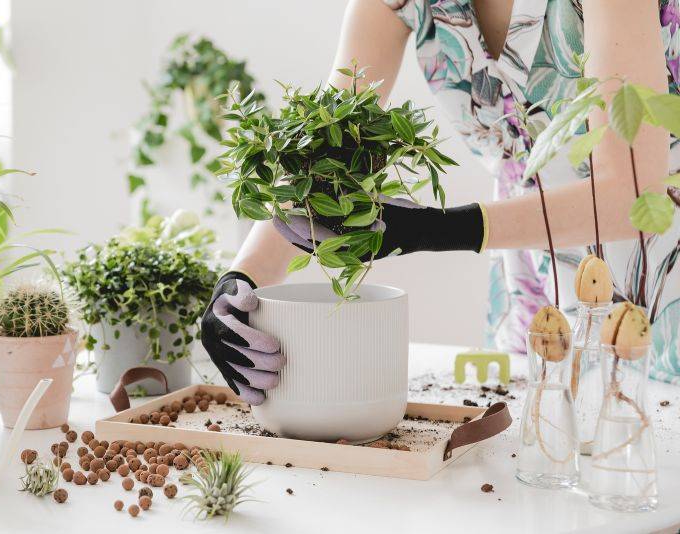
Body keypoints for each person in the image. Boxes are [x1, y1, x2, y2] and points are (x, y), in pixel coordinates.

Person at [201, 0, 680, 405]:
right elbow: (324, 154)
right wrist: (243, 276)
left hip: (663, 276)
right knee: (545, 467)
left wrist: (434, 228)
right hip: (539, 279)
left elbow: (631, 194)